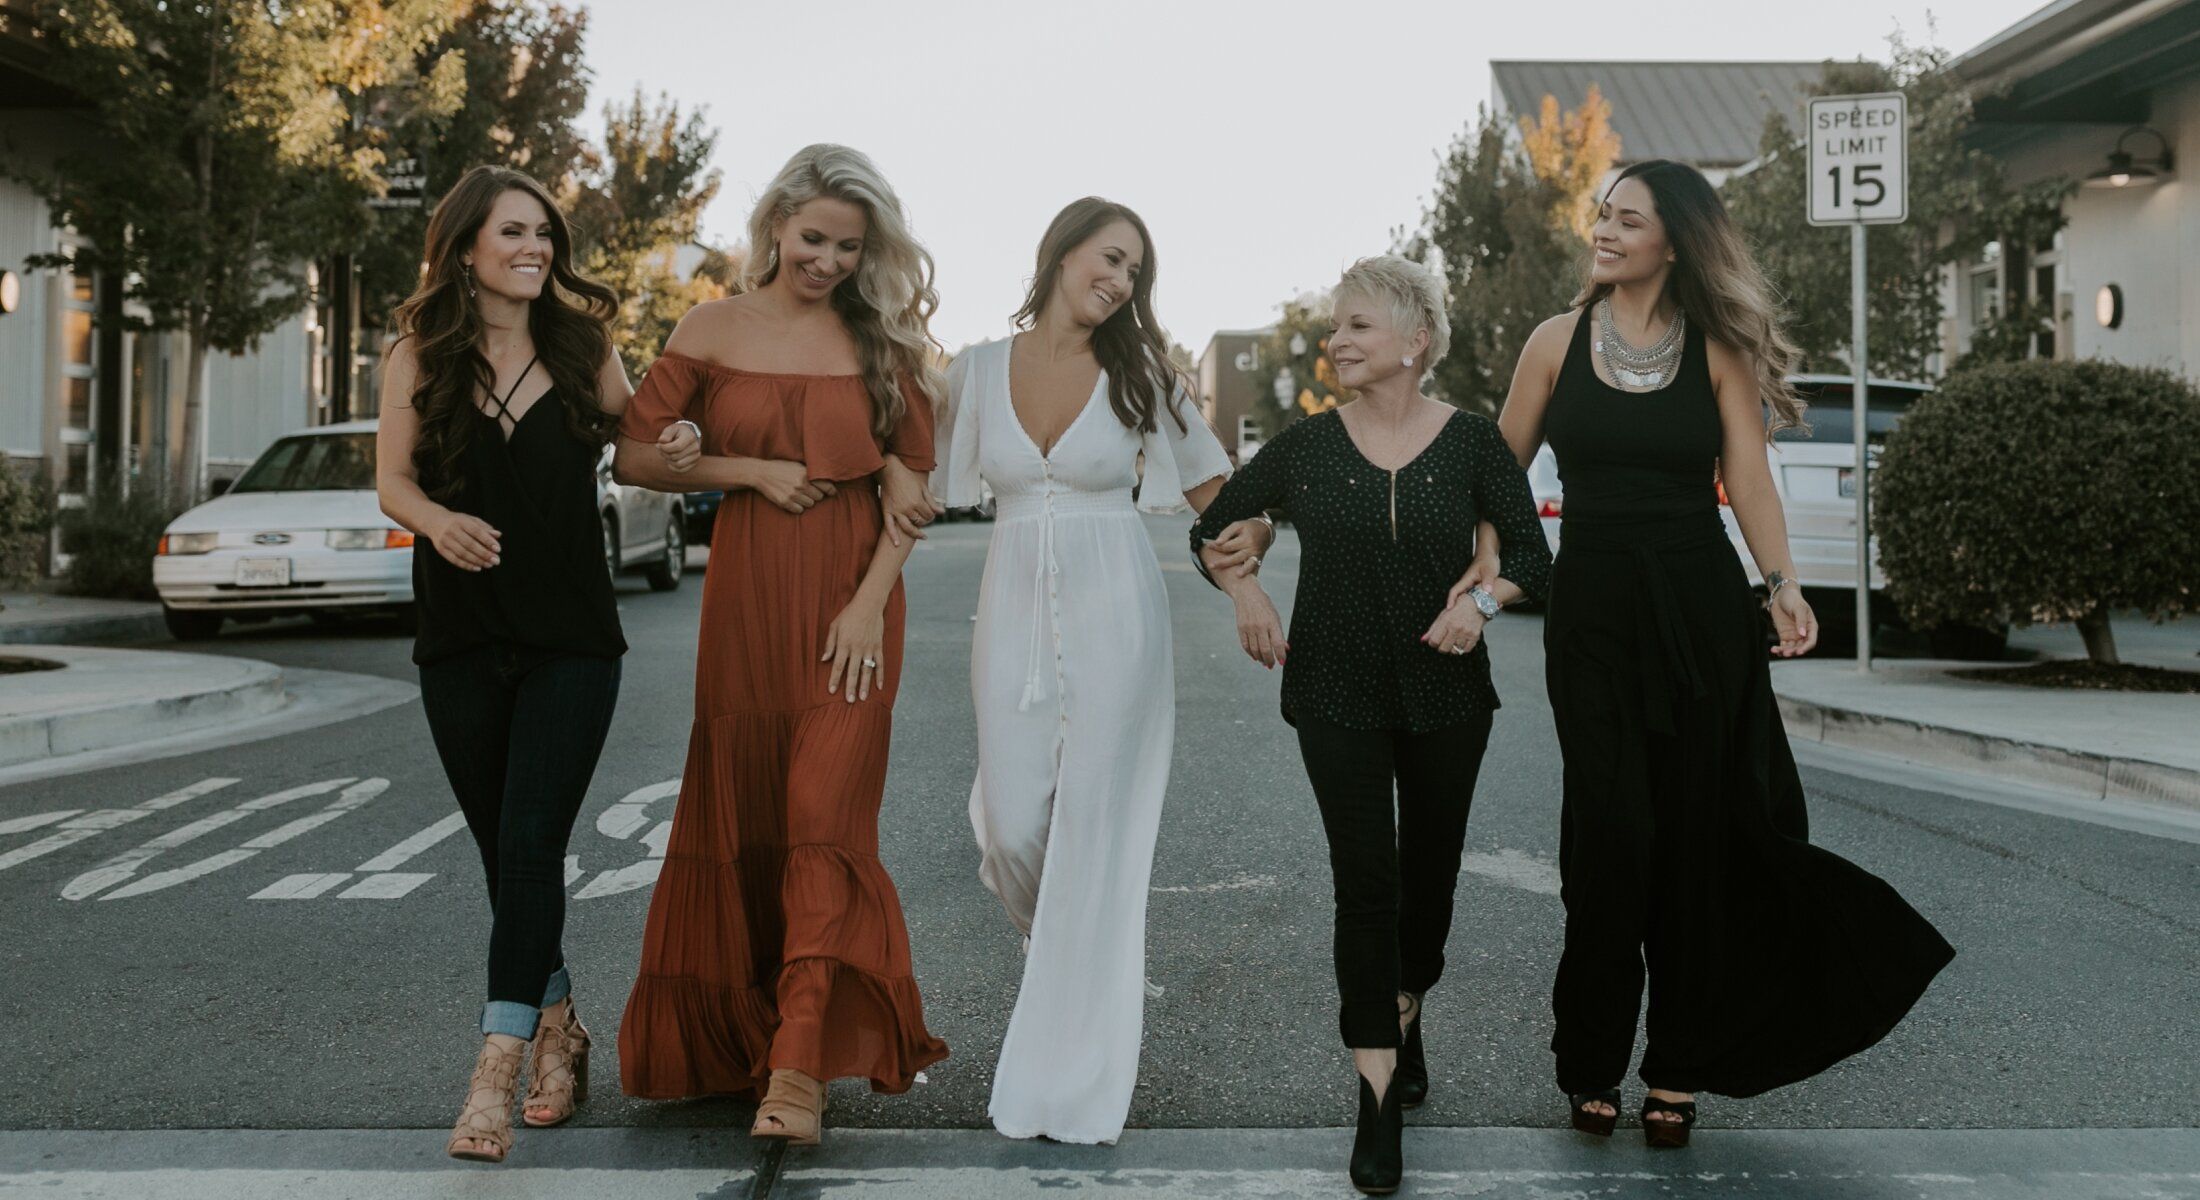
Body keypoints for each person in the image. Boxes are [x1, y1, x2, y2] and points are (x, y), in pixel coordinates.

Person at [1474, 159, 1953, 1148]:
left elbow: (1748, 478)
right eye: (1600, 215)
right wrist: (1477, 580)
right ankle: (1590, 1061)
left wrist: (1781, 582)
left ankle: (1680, 1065)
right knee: (1610, 837)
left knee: (1695, 837)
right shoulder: (1552, 343)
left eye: (1626, 219)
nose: (1603, 231)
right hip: (1595, 607)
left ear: (1674, 242)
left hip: (1700, 605)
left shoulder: (1718, 351)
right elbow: (1496, 473)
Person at [1190, 255, 1552, 1194]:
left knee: (1428, 882)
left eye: (1356, 326)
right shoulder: (1306, 447)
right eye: (1334, 328)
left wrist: (1485, 601)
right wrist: (1247, 588)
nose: (1336, 342)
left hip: (1447, 694)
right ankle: (1377, 1090)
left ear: (1415, 340)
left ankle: (1409, 1001)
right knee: (1367, 885)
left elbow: (1536, 559)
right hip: (1335, 692)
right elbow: (1213, 531)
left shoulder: (1473, 444)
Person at [614, 143, 949, 1148]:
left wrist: (864, 605)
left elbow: (915, 487)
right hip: (749, 599)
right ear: (772, 225)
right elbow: (635, 451)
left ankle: (798, 1066)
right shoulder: (709, 325)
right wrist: (742, 469)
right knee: (751, 805)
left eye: (849, 247)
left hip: (853, 607)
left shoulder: (880, 339)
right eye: (813, 239)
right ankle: (739, 1044)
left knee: (823, 819)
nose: (829, 262)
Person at [937, 198, 1270, 1145]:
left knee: (1100, 833)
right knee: (1010, 831)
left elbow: (1223, 502)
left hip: (1118, 609)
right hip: (1009, 612)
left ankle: (1074, 1067)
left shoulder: (1143, 376)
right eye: (1111, 258)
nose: (1121, 281)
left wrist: (1251, 557)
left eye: (1136, 272)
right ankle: (1082, 974)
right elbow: (898, 477)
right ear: (1062, 250)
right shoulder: (971, 372)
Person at [374, 165, 632, 1164]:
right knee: (501, 850)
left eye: (544, 235)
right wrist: (438, 522)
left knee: (528, 840)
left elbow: (642, 439)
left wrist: (682, 435)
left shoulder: (582, 346)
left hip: (572, 637)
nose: (535, 249)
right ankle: (560, 1025)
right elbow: (393, 482)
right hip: (461, 636)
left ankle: (494, 1071)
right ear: (466, 247)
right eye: (514, 232)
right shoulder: (417, 357)